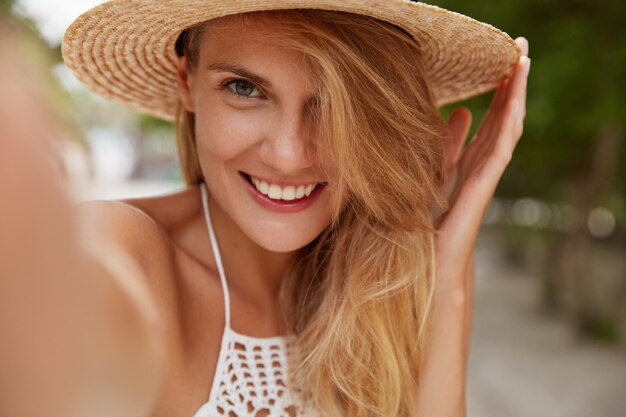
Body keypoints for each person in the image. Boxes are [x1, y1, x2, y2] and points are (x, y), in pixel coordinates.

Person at [3, 1, 530, 417]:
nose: (288, 153)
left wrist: (446, 263)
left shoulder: (395, 275)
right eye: (245, 88)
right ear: (187, 82)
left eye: (332, 102)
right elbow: (65, 323)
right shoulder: (126, 246)